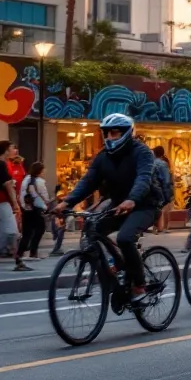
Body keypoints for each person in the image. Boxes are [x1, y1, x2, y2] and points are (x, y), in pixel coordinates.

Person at [51, 114, 163, 302]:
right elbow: (88, 182)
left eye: (114, 133)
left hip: (145, 205)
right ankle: (117, 266)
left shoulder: (142, 152)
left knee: (125, 238)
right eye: (107, 133)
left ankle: (139, 286)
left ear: (127, 133)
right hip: (119, 205)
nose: (109, 137)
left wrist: (132, 200)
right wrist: (66, 202)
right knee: (93, 229)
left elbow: (143, 179)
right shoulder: (103, 157)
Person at [0, 141, 28, 270]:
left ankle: (18, 260)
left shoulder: (3, 164)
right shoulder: (2, 164)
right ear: (6, 150)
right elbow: (8, 185)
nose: (14, 150)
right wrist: (15, 204)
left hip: (1, 202)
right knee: (11, 232)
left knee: (6, 232)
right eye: (12, 148)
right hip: (2, 202)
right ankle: (18, 261)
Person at [18, 161, 50, 261]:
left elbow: (21, 193)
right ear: (40, 170)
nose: (45, 171)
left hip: (26, 208)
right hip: (36, 209)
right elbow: (45, 197)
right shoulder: (40, 182)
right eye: (43, 169)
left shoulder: (26, 179)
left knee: (26, 232)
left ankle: (20, 253)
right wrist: (46, 205)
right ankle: (33, 252)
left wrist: (23, 205)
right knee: (40, 229)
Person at [152, 146, 174, 233]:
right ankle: (163, 227)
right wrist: (168, 193)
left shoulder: (152, 163)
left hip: (154, 188)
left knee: (157, 207)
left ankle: (156, 227)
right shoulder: (163, 164)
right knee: (164, 208)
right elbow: (166, 180)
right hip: (161, 189)